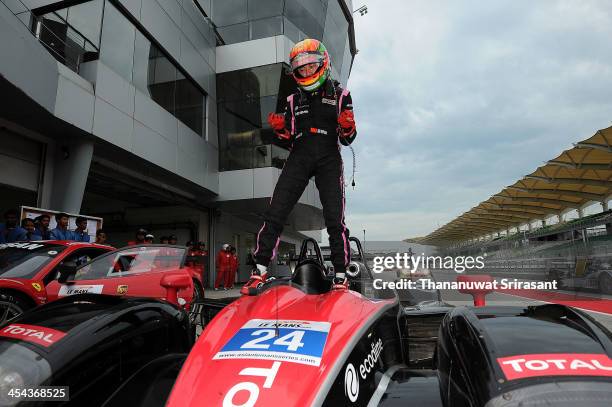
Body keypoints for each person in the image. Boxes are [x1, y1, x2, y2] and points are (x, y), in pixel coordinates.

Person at [246, 39, 357, 290]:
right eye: (301, 69)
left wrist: (348, 126)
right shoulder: (292, 100)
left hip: (329, 156)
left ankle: (341, 274)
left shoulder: (342, 96)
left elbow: (347, 138)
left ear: (322, 64)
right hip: (300, 154)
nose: (306, 72)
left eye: (310, 67)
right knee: (276, 210)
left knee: (334, 218)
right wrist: (281, 130)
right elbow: (287, 139)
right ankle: (260, 267)